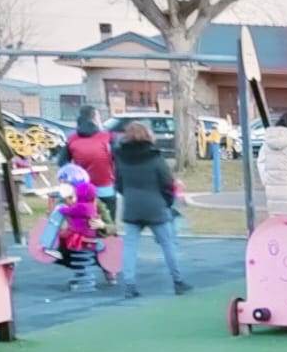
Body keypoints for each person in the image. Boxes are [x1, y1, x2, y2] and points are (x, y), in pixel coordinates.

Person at [113, 120, 191, 297]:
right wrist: (167, 202)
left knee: (130, 247)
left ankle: (129, 285)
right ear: (148, 136)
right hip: (156, 206)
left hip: (132, 206)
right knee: (167, 244)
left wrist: (130, 196)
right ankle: (178, 281)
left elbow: (118, 184)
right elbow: (167, 183)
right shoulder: (155, 157)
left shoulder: (121, 158)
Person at [58, 106, 119, 224]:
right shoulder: (107, 136)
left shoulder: (72, 139)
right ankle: (107, 239)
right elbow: (117, 158)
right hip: (106, 184)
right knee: (108, 222)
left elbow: (62, 162)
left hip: (82, 187)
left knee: (84, 221)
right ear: (95, 118)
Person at [55, 165, 103, 291]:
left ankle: (87, 279)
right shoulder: (85, 204)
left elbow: (70, 211)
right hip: (81, 234)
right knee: (75, 254)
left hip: (84, 237)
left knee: (81, 255)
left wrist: (102, 225)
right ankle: (80, 275)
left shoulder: (83, 206)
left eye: (66, 183)